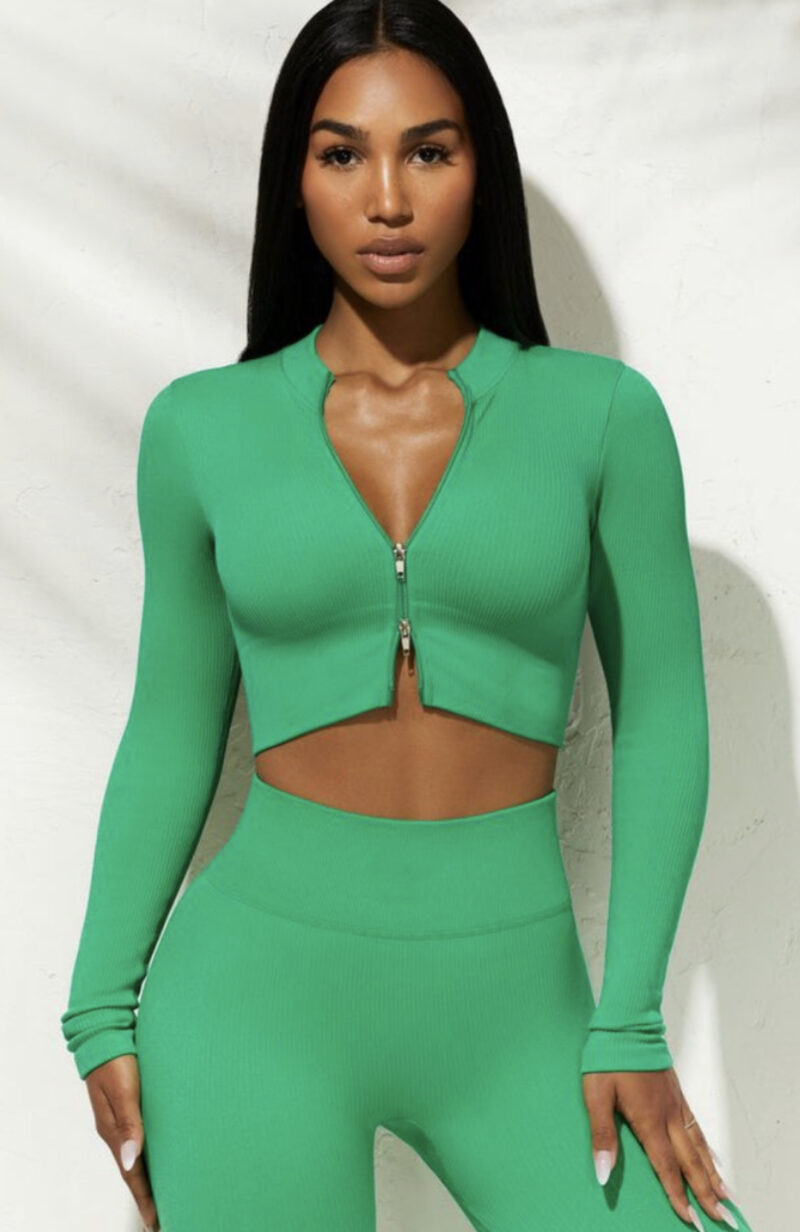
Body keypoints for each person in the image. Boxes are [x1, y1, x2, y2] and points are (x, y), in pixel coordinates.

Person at [59, 2, 754, 1230]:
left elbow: (659, 713)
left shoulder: (600, 417)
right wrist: (100, 1003)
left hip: (517, 1004)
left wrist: (630, 1017)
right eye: (342, 154)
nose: (386, 199)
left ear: (479, 167)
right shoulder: (200, 429)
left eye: (428, 150)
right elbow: (169, 724)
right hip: (251, 1001)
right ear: (294, 180)